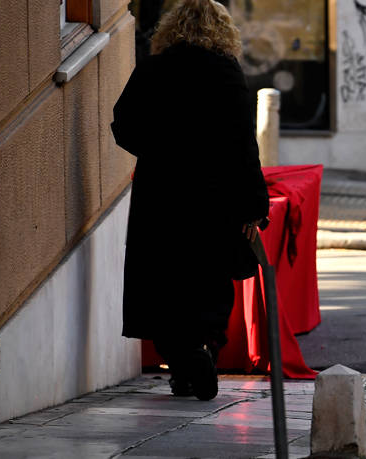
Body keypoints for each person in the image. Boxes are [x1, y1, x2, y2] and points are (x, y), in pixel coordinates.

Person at [111, 0, 269, 401]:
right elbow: (243, 144)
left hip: (161, 193)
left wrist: (157, 151)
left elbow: (123, 124)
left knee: (163, 282)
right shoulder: (227, 74)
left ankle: (183, 364)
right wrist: (255, 205)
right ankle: (203, 352)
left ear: (172, 27)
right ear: (222, 31)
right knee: (209, 281)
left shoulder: (153, 68)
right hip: (215, 196)